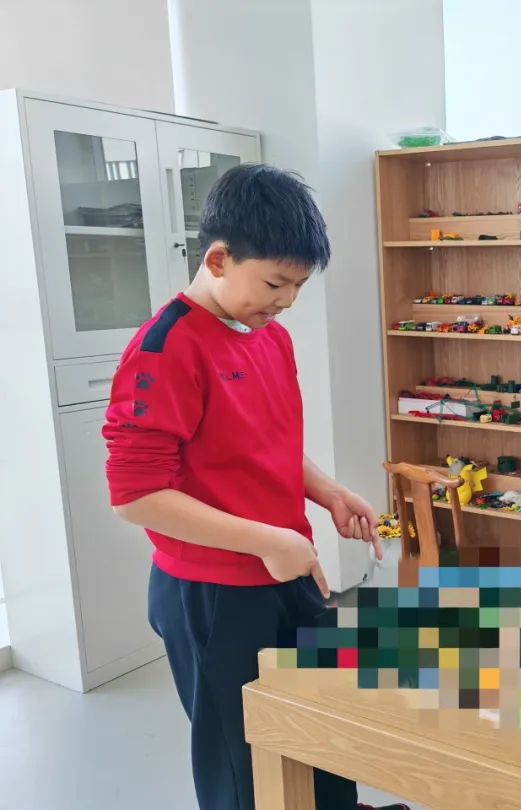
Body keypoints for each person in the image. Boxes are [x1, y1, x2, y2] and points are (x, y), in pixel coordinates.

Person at [102, 164, 399, 810]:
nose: (285, 300)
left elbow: (266, 443)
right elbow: (134, 495)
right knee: (243, 762)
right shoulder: (165, 349)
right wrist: (267, 540)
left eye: (297, 286)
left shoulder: (268, 336)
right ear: (218, 259)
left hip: (286, 566)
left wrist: (327, 492)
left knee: (321, 726)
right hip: (213, 591)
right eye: (274, 283)